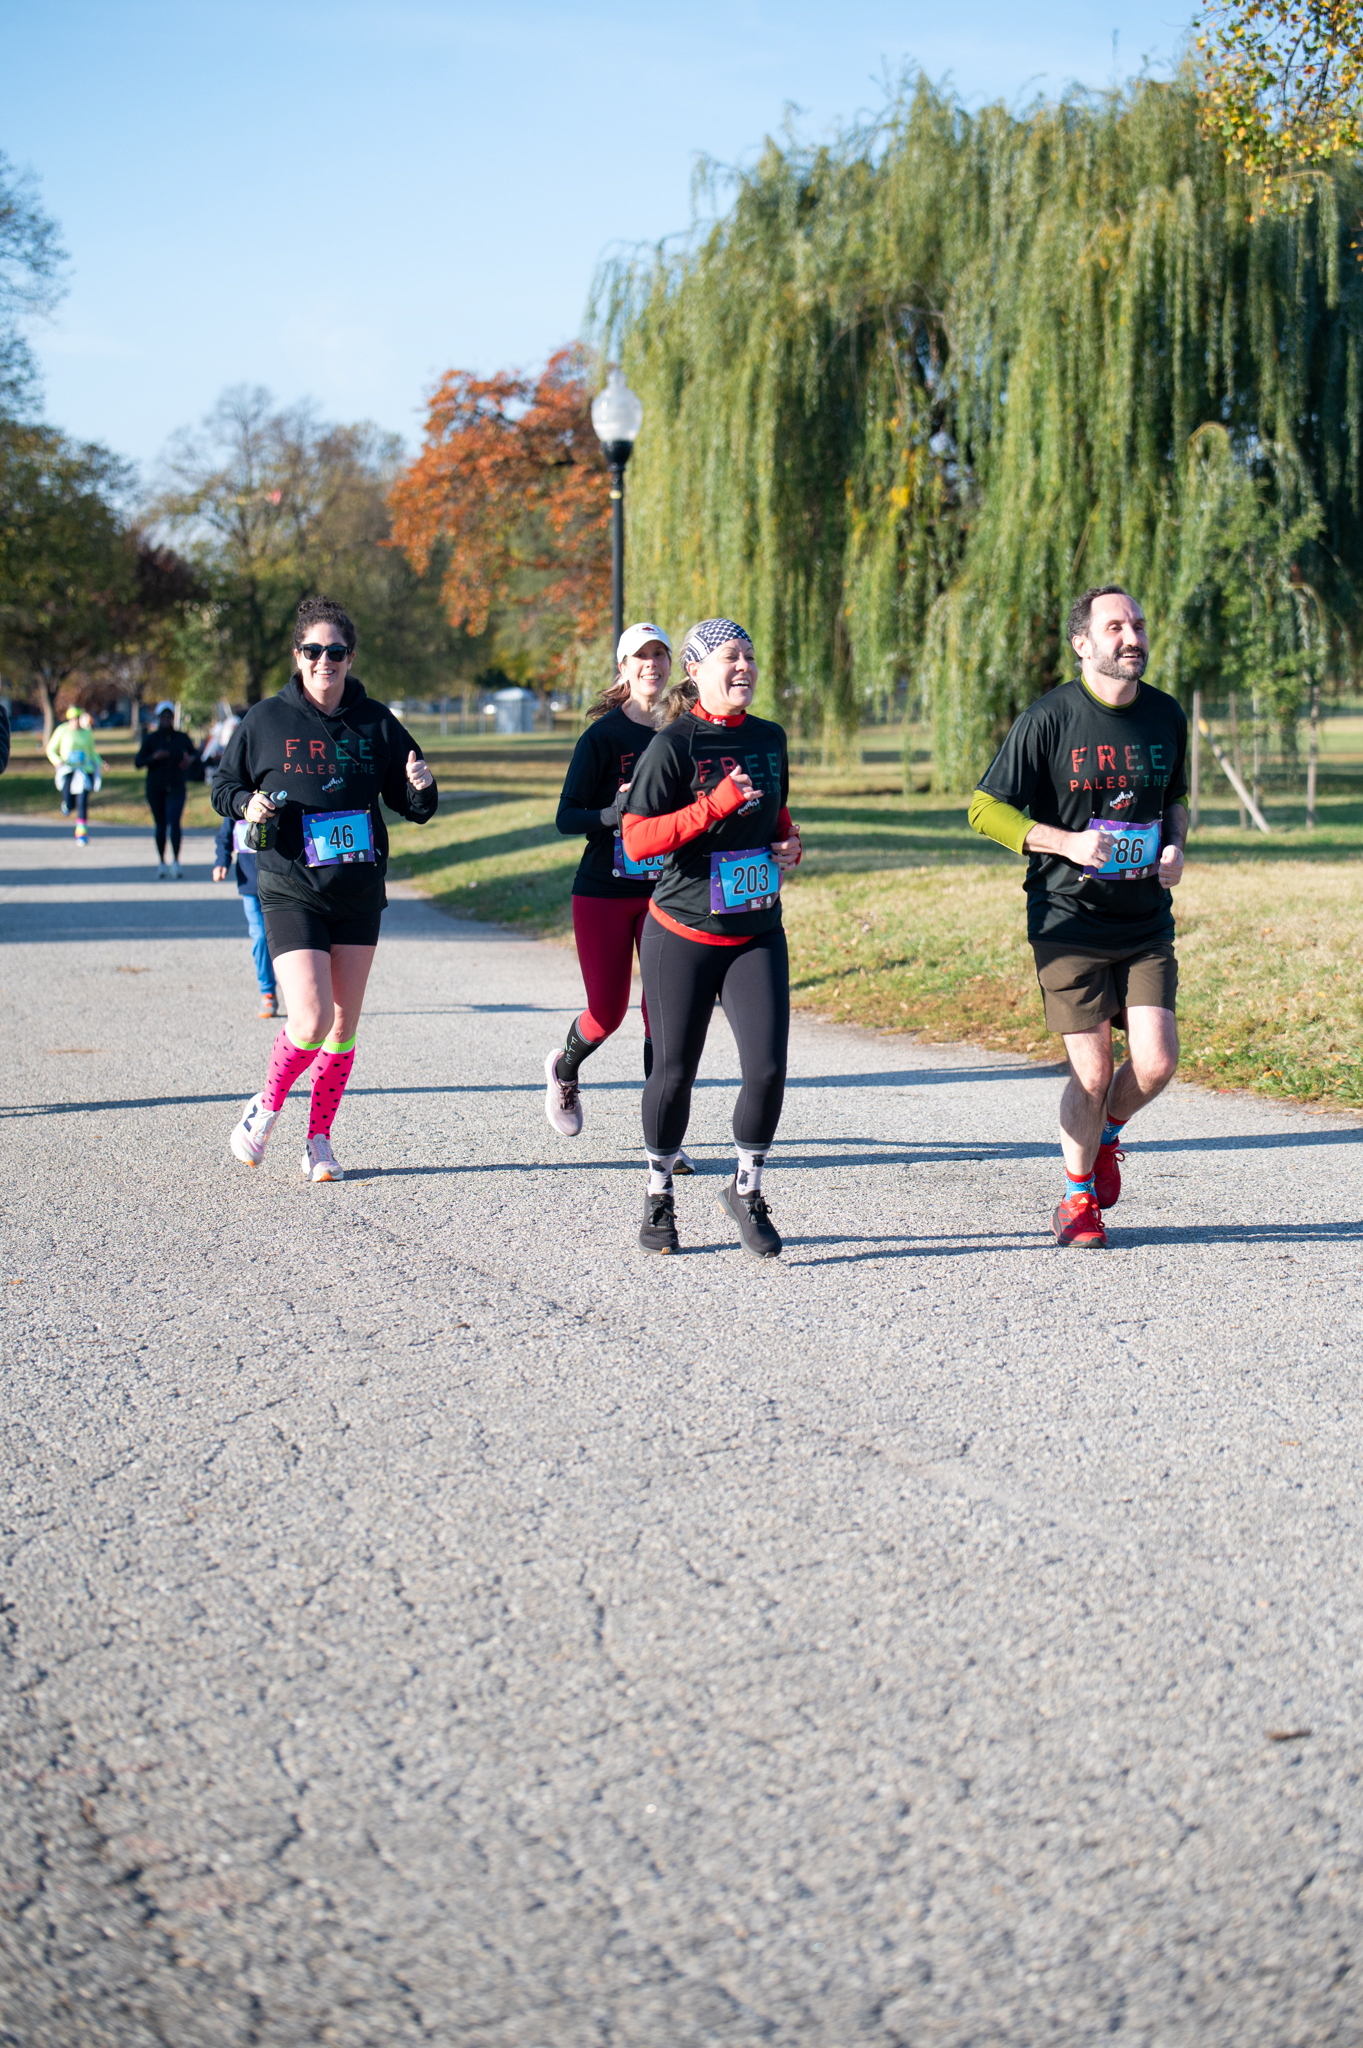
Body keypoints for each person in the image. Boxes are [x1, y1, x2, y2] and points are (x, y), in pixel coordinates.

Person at [968, 585, 1188, 1250]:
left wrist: (1177, 842)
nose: (1132, 637)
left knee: (1154, 1064)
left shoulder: (1164, 716)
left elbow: (1172, 797)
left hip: (1144, 917)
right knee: (1091, 1073)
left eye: (1139, 625)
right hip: (1068, 920)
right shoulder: (1047, 719)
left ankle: (1104, 1138)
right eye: (1115, 626)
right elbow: (985, 809)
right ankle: (1076, 1200)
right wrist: (1063, 843)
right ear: (1082, 643)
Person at [212, 594, 438, 1182]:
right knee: (309, 1019)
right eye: (313, 651)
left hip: (358, 890)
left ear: (350, 657)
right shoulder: (265, 720)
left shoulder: (377, 722)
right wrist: (245, 802)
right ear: (298, 655)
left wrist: (420, 785)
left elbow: (411, 804)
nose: (324, 662)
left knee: (342, 1027)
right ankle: (264, 1109)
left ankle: (319, 1139)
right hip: (291, 885)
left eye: (335, 652)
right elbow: (223, 785)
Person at [620, 618, 802, 1258]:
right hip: (683, 933)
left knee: (769, 1070)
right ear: (695, 671)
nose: (744, 667)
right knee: (673, 1077)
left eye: (750, 656)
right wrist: (711, 807)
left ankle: (746, 1190)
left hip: (756, 932)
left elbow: (775, 813)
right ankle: (659, 1195)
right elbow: (637, 840)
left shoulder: (770, 738)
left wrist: (789, 842)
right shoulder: (673, 745)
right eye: (730, 658)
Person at [542, 621, 687, 1172]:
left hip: (666, 891)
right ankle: (565, 1071)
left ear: (670, 665)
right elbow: (566, 816)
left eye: (660, 655)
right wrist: (614, 814)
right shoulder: (601, 739)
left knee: (665, 1014)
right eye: (640, 657)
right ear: (623, 670)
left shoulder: (683, 732)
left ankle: (664, 1139)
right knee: (607, 1012)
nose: (651, 664)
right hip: (603, 889)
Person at [212, 810, 281, 1019]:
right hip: (250, 883)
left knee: (284, 938)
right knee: (260, 936)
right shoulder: (239, 801)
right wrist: (221, 861)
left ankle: (300, 994)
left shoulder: (275, 795)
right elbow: (225, 834)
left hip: (280, 882)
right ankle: (267, 992)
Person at [135, 700, 201, 877]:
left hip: (177, 786)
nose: (166, 719)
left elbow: (196, 754)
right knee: (161, 825)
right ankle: (162, 861)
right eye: (162, 716)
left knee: (175, 823)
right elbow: (138, 762)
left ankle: (177, 861)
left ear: (173, 718)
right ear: (158, 718)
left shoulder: (181, 737)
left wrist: (190, 760)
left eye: (169, 716)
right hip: (155, 787)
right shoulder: (151, 739)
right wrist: (153, 757)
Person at [46, 705, 103, 845]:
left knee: (83, 801)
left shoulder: (87, 733)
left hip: (84, 770)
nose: (75, 721)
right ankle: (67, 805)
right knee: (70, 802)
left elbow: (92, 752)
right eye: (72, 719)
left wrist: (101, 763)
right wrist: (57, 762)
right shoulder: (62, 731)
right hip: (68, 769)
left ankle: (81, 833)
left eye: (77, 718)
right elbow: (50, 749)